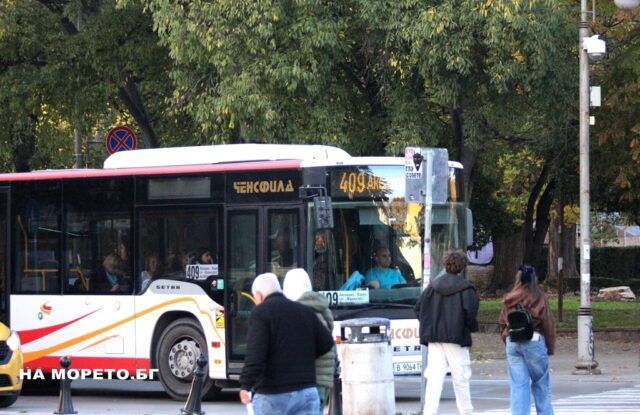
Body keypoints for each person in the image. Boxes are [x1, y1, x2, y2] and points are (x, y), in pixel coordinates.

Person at [239, 272, 334, 415]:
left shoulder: (261, 312)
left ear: (259, 295)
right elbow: (326, 343)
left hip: (273, 393)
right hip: (306, 392)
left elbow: (255, 355)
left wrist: (245, 385)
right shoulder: (304, 311)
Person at [415, 251, 479, 415]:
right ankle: (466, 412)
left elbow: (418, 309)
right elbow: (470, 314)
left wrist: (430, 326)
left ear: (445, 264)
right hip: (457, 338)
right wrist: (470, 328)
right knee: (461, 377)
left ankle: (429, 411)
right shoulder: (466, 289)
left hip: (435, 338)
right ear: (463, 266)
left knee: (434, 378)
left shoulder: (432, 287)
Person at [499, 265, 556, 415]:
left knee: (519, 385)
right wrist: (549, 347)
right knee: (541, 384)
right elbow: (548, 324)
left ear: (517, 279)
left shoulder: (509, 299)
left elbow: (502, 324)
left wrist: (507, 341)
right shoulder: (540, 298)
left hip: (513, 341)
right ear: (534, 279)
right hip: (534, 341)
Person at [283, 268, 336, 411]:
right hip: (323, 379)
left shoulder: (298, 315)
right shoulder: (320, 310)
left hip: (307, 381)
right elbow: (330, 345)